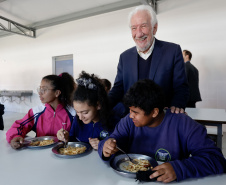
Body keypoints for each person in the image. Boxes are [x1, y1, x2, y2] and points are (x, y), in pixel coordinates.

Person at [99, 79, 226, 183]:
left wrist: (179, 169)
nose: (130, 115)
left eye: (135, 112)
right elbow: (110, 141)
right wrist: (106, 148)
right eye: (130, 110)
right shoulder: (128, 121)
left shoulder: (183, 124)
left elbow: (216, 159)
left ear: (154, 112)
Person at [108, 5, 189, 115]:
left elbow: (180, 86)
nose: (139, 33)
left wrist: (177, 105)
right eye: (134, 28)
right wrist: (100, 105)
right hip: (133, 123)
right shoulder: (124, 57)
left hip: (162, 121)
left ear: (154, 28)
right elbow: (118, 89)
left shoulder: (172, 51)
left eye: (143, 26)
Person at [6, 73, 76, 149]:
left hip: (64, 153)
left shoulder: (73, 113)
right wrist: (15, 136)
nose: (40, 93)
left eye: (44, 90)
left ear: (57, 93)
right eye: (40, 89)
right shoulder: (36, 112)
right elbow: (19, 126)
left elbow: (80, 137)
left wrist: (68, 137)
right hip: (40, 154)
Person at [57, 71, 119, 150]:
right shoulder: (77, 120)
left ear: (98, 105)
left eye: (85, 112)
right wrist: (66, 137)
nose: (80, 117)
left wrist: (103, 145)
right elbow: (72, 141)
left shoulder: (114, 122)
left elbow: (120, 148)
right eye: (77, 112)